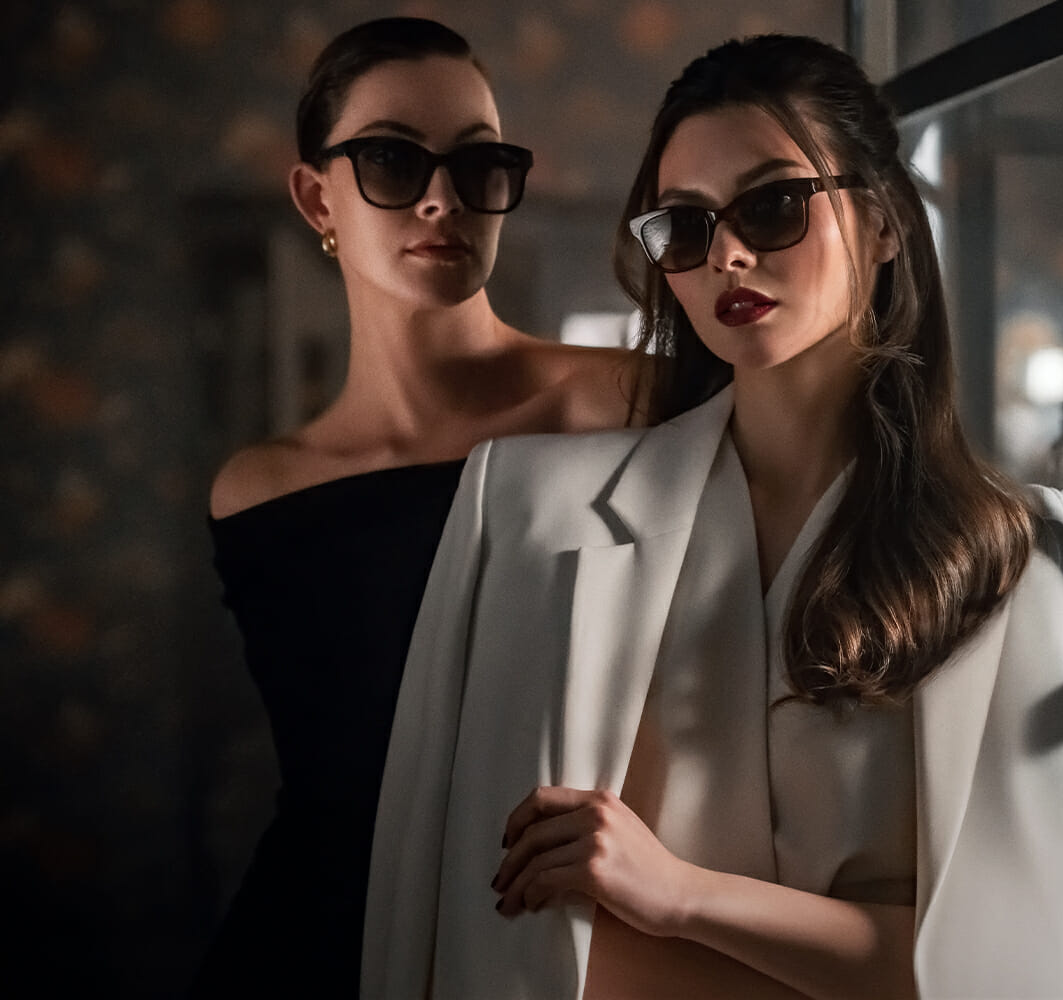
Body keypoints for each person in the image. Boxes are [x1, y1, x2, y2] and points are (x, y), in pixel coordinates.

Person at [363, 33, 1063, 1000]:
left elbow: (1012, 967)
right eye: (685, 226)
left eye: (774, 205)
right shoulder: (522, 510)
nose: (729, 255)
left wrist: (679, 895)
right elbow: (428, 910)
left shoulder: (1010, 553)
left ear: (881, 222)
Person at [194, 17, 643, 997]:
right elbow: (336, 793)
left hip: (552, 937)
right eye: (394, 159)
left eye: (478, 165)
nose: (443, 197)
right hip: (313, 944)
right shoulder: (262, 491)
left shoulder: (626, 405)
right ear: (317, 194)